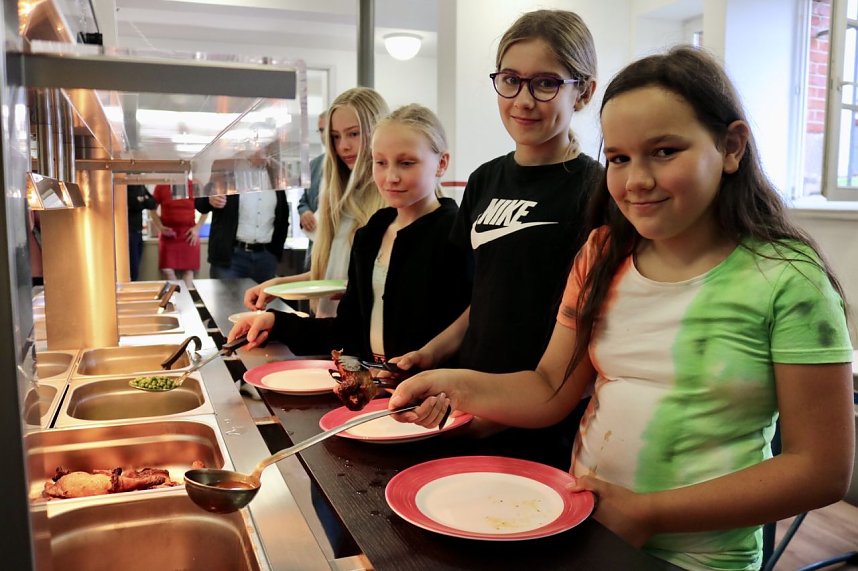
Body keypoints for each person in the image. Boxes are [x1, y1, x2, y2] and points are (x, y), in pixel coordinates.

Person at [390, 46, 855, 571]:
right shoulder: (600, 256)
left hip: (703, 559)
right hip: (585, 533)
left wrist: (649, 512)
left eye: (664, 151)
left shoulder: (788, 278)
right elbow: (548, 389)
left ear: (730, 146)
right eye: (618, 158)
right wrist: (454, 383)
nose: (636, 180)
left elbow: (820, 469)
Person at [386, 9, 602, 469]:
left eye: (545, 83)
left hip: (543, 421)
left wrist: (506, 412)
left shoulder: (597, 191)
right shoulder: (485, 179)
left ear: (583, 91)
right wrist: (431, 353)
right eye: (510, 80)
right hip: (469, 403)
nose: (523, 100)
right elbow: (483, 297)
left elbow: (593, 337)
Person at [229, 104, 471, 362]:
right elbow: (348, 330)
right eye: (380, 163)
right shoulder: (373, 232)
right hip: (374, 387)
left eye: (406, 163)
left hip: (428, 395)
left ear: (441, 163)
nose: (391, 177)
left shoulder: (457, 233)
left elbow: (471, 334)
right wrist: (276, 323)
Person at [243, 87, 390, 318]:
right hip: (331, 332)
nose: (343, 146)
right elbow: (326, 275)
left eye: (353, 134)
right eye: (335, 136)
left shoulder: (391, 202)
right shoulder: (339, 196)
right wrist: (276, 286)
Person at [194, 176, 290, 284]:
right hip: (231, 258)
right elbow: (200, 204)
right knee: (226, 300)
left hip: (266, 257)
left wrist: (275, 253)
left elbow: (283, 217)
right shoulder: (228, 173)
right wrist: (209, 199)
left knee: (263, 300)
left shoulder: (275, 179)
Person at [150, 181, 208, 289]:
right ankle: (175, 298)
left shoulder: (195, 186)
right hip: (168, 234)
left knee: (188, 271)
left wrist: (197, 228)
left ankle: (186, 302)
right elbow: (152, 208)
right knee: (167, 271)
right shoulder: (161, 186)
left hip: (189, 234)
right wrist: (160, 227)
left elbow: (206, 209)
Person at [297, 110, 327, 271]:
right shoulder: (315, 165)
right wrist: (305, 212)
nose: (324, 135)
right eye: (320, 130)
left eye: (327, 129)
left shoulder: (352, 165)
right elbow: (304, 200)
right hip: (315, 245)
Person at [127, 184, 156, 281]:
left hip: (139, 233)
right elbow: (133, 204)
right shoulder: (126, 186)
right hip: (129, 233)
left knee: (136, 268)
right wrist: (143, 200)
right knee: (132, 269)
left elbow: (152, 203)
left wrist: (141, 200)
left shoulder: (140, 186)